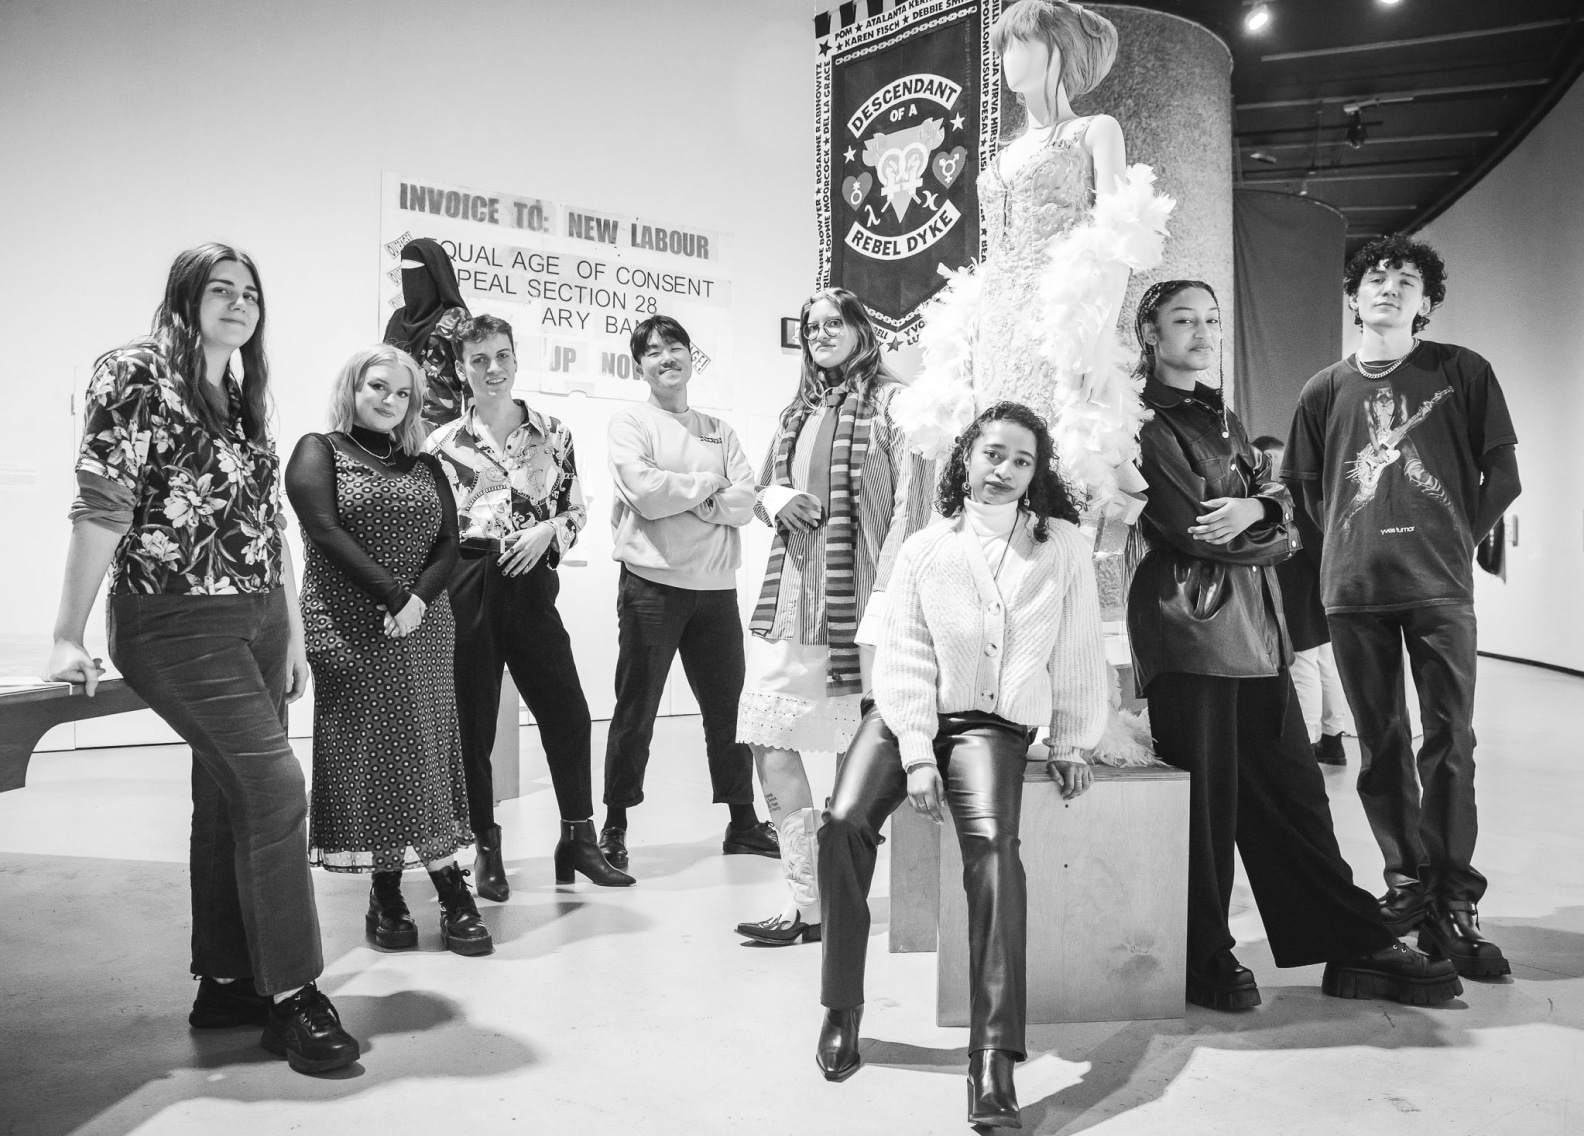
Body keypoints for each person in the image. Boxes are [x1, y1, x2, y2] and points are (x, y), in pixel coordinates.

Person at [46, 243, 359, 1074]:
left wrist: (289, 631)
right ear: (185, 301)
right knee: (272, 787)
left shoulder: (245, 397)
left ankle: (227, 981)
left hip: (256, 618)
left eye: (250, 294)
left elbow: (268, 527)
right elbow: (102, 502)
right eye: (220, 290)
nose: (239, 304)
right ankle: (293, 997)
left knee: (229, 799)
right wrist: (67, 633)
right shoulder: (136, 372)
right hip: (173, 619)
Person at [1129, 279, 1462, 1012]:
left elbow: (1276, 508)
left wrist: (1262, 508)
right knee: (1209, 809)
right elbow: (1196, 527)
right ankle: (1203, 958)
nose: (1203, 331)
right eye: (1182, 319)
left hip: (1256, 631)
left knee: (1296, 796)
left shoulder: (1219, 415)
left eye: (1211, 318)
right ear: (1149, 334)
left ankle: (1349, 942)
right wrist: (1270, 522)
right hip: (1190, 631)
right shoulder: (1142, 421)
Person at [815, 402, 1106, 1129]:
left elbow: (1076, 647)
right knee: (843, 823)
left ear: (1037, 474)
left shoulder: (1060, 544)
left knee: (994, 853)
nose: (1003, 470)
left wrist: (1070, 741)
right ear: (965, 458)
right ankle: (842, 1008)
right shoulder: (924, 547)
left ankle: (993, 1059)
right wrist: (916, 756)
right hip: (907, 714)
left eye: (1020, 460)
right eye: (992, 454)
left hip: (991, 723)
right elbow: (905, 658)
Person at [1284, 235, 1522, 975]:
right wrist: (1351, 546)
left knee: (1451, 740)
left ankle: (1454, 895)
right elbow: (1305, 492)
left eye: (1406, 279)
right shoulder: (1323, 390)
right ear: (1354, 298)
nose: (1388, 287)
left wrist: (1455, 540)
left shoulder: (1461, 371)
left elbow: (1503, 475)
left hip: (1440, 590)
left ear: (1426, 304)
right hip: (1354, 595)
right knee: (1381, 745)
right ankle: (1408, 883)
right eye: (1375, 277)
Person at [895, 0, 1171, 519]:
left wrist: (1095, 333)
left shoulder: (1095, 130)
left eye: (1020, 43)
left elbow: (1119, 239)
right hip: (995, 325)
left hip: (1056, 320)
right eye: (1004, 46)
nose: (1007, 57)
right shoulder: (1003, 153)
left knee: (1055, 449)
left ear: (1057, 50)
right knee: (991, 444)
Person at [735, 287, 933, 945]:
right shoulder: (796, 412)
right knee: (769, 738)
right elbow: (759, 489)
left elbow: (914, 502)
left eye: (833, 322)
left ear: (859, 329)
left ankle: (849, 902)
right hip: (791, 604)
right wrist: (778, 496)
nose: (820, 332)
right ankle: (807, 903)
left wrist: (891, 596)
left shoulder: (895, 404)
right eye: (811, 325)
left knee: (861, 759)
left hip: (864, 608)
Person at [285, 345, 489, 957]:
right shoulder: (318, 450)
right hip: (350, 626)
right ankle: (400, 888)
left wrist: (418, 601)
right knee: (373, 755)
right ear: (353, 387)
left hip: (423, 625)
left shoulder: (425, 465)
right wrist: (395, 596)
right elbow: (324, 529)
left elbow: (450, 544)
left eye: (403, 395)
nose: (390, 402)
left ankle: (424, 888)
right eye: (378, 387)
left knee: (426, 748)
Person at [426, 313, 632, 897]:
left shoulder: (553, 432)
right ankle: (485, 846)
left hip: (532, 580)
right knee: (473, 722)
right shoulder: (441, 445)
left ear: (516, 359)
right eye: (478, 360)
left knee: (567, 711)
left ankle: (578, 838)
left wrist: (549, 535)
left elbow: (575, 510)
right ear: (461, 369)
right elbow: (434, 530)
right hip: (468, 582)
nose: (492, 369)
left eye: (501, 356)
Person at [598, 315, 774, 871]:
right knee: (637, 710)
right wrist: (709, 489)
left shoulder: (719, 429)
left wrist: (700, 497)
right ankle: (615, 825)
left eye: (676, 347)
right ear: (640, 366)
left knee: (730, 714)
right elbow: (647, 495)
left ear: (690, 358)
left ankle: (742, 823)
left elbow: (747, 501)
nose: (666, 357)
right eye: (654, 351)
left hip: (716, 591)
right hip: (652, 587)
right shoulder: (630, 422)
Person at [1252, 434, 1352, 765]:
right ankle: (1332, 739)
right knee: (1324, 662)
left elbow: (1313, 545)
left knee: (1305, 665)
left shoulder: (1290, 494)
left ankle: (1307, 745)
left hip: (1302, 589)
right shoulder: (1306, 490)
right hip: (1319, 588)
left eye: (1266, 460)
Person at [383, 237, 471, 430]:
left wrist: (476, 433)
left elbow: (471, 380)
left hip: (440, 432)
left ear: (434, 274)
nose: (411, 281)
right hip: (395, 427)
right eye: (406, 273)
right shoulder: (398, 318)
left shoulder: (456, 318)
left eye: (417, 272)